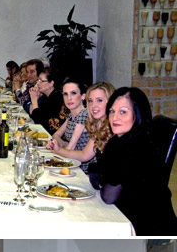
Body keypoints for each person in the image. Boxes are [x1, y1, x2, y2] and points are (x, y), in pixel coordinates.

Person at [96, 86, 177, 236]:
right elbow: (100, 173)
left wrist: (101, 178)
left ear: (137, 115)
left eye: (123, 112)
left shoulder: (138, 147)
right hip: (131, 218)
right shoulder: (120, 140)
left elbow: (108, 196)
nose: (114, 118)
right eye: (112, 111)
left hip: (150, 230)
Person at [47, 81, 115, 169]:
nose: (93, 105)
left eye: (99, 100)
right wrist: (58, 149)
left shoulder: (114, 127)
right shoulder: (98, 125)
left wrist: (59, 150)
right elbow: (84, 154)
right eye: (90, 101)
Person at [49, 79, 93, 173]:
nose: (69, 98)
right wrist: (62, 143)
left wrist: (60, 148)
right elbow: (56, 135)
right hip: (72, 163)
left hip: (82, 170)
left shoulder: (83, 115)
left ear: (83, 96)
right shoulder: (71, 116)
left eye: (73, 93)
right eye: (65, 94)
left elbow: (71, 147)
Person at [24, 67, 68, 134]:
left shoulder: (57, 98)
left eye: (41, 81)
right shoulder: (46, 96)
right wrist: (34, 99)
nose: (38, 83)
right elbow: (32, 116)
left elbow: (40, 122)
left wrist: (34, 100)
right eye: (38, 80)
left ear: (51, 83)